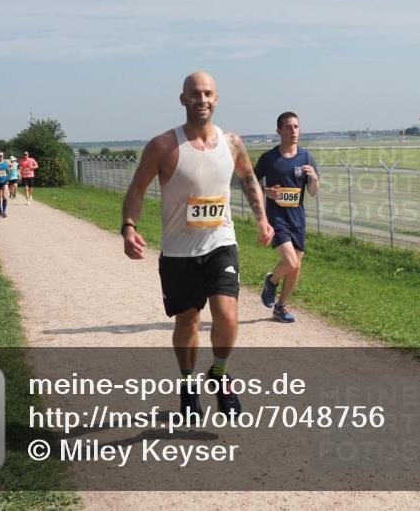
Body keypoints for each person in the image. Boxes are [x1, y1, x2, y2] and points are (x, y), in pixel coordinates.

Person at [121, 71, 273, 422]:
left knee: (227, 315)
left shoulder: (232, 142)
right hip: (178, 251)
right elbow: (138, 189)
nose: (201, 100)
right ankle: (188, 385)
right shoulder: (162, 146)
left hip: (221, 242)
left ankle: (220, 375)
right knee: (188, 323)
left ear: (216, 99)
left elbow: (249, 179)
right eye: (194, 94)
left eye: (207, 94)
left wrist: (262, 219)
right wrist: (129, 226)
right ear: (183, 99)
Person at [254, 112, 320, 323]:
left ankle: (280, 307)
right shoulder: (269, 158)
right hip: (277, 219)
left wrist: (314, 179)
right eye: (289, 127)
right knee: (290, 262)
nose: (294, 131)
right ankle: (271, 282)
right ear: (279, 131)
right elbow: (250, 184)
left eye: (297, 127)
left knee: (296, 266)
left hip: (298, 219)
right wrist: (267, 192)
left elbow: (312, 192)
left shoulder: (306, 157)